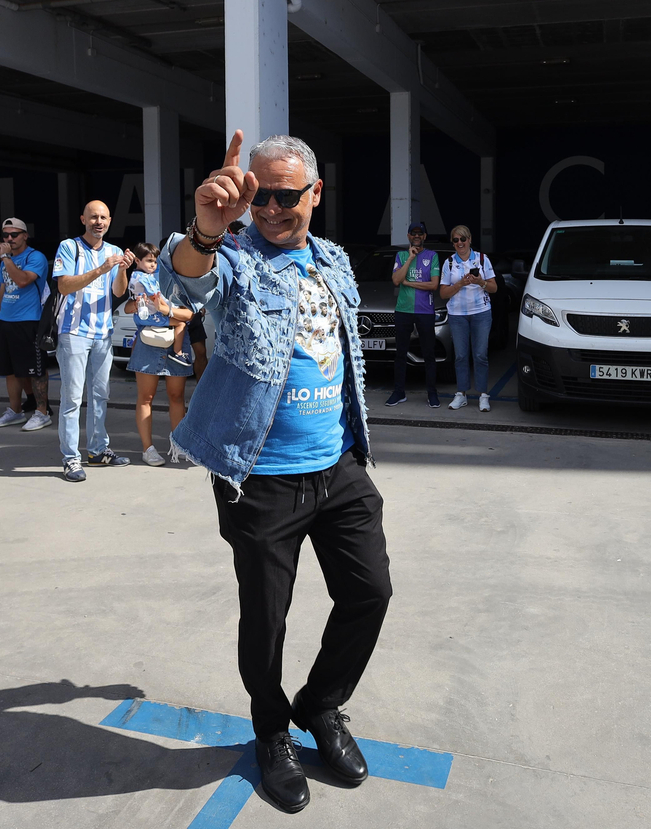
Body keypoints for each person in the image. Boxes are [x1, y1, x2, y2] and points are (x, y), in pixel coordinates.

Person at [165, 131, 389, 815]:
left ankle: (320, 705)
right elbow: (185, 279)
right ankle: (271, 731)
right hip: (259, 476)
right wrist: (206, 229)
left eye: (285, 196)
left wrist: (351, 446)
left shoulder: (335, 261)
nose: (268, 209)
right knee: (266, 621)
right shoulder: (235, 257)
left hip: (340, 465)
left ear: (315, 194)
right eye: (257, 195)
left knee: (370, 592)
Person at [52, 201, 133, 480]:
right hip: (74, 333)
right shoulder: (69, 247)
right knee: (72, 398)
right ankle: (71, 458)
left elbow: (118, 291)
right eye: (93, 217)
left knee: (100, 395)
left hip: (103, 333)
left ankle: (98, 451)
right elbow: (64, 285)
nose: (98, 222)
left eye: (103, 217)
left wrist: (121, 269)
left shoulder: (113, 252)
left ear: (110, 220)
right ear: (83, 219)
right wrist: (101, 269)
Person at [124, 242, 195, 467]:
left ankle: (179, 444)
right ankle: (148, 449)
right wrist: (136, 305)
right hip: (148, 340)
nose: (156, 264)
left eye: (158, 260)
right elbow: (128, 305)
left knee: (177, 397)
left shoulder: (184, 277)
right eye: (151, 260)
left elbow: (190, 313)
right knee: (146, 398)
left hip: (175, 337)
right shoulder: (140, 277)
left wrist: (167, 310)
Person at [0, 218, 53, 433]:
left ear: (25, 235)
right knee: (10, 371)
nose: (9, 239)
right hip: (7, 320)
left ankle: (42, 412)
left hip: (29, 320)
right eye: (6, 235)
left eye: (14, 235)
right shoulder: (6, 261)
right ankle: (15, 411)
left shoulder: (35, 257)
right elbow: (2, 292)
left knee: (35, 370)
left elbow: (23, 280)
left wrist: (5, 258)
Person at [439, 224, 499, 412]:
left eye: (463, 239)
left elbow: (494, 288)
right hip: (457, 315)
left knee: (480, 355)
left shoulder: (482, 259)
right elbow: (443, 293)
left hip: (481, 312)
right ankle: (461, 394)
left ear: (470, 239)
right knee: (461, 355)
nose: (460, 243)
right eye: (456, 240)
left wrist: (480, 281)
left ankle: (483, 395)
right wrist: (460, 284)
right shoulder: (449, 262)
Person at [385, 221, 440, 408]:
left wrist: (408, 283)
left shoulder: (432, 256)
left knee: (428, 354)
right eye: (413, 233)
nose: (417, 236)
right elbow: (395, 280)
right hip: (403, 311)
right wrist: (409, 258)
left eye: (420, 233)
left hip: (425, 311)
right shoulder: (401, 256)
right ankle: (399, 392)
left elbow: (433, 285)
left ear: (424, 236)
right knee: (400, 352)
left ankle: (432, 393)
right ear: (408, 236)